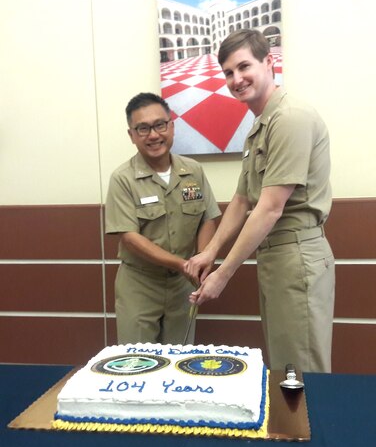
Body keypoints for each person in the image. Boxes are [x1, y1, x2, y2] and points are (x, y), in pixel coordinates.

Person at [185, 29, 335, 373]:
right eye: (228, 72)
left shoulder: (289, 118)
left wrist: (223, 274)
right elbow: (241, 199)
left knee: (301, 371)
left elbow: (269, 207)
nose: (236, 79)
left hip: (297, 255)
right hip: (276, 257)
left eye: (243, 67)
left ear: (269, 63)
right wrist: (211, 251)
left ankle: (308, 430)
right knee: (285, 363)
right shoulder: (260, 125)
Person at [105, 92, 221, 345]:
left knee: (180, 359)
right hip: (139, 284)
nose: (154, 135)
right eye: (143, 128)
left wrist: (200, 261)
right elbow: (129, 237)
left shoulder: (193, 171)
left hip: (183, 285)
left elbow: (207, 219)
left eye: (160, 125)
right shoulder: (122, 178)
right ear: (132, 135)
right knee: (137, 362)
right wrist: (182, 264)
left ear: (171, 127)